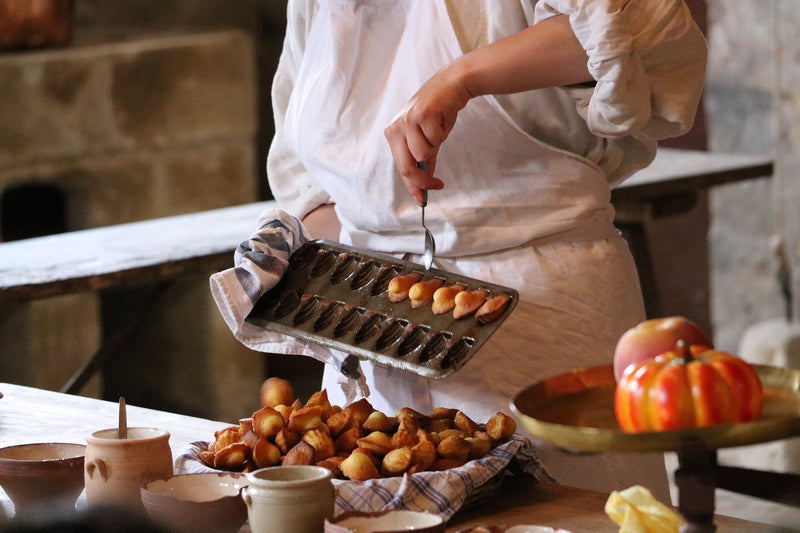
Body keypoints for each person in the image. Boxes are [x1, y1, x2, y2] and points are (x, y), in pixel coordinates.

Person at [211, 0, 707, 501]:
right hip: (374, 327)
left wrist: (465, 76)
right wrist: (310, 259)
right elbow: (308, 179)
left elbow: (648, 32)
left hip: (539, 322)